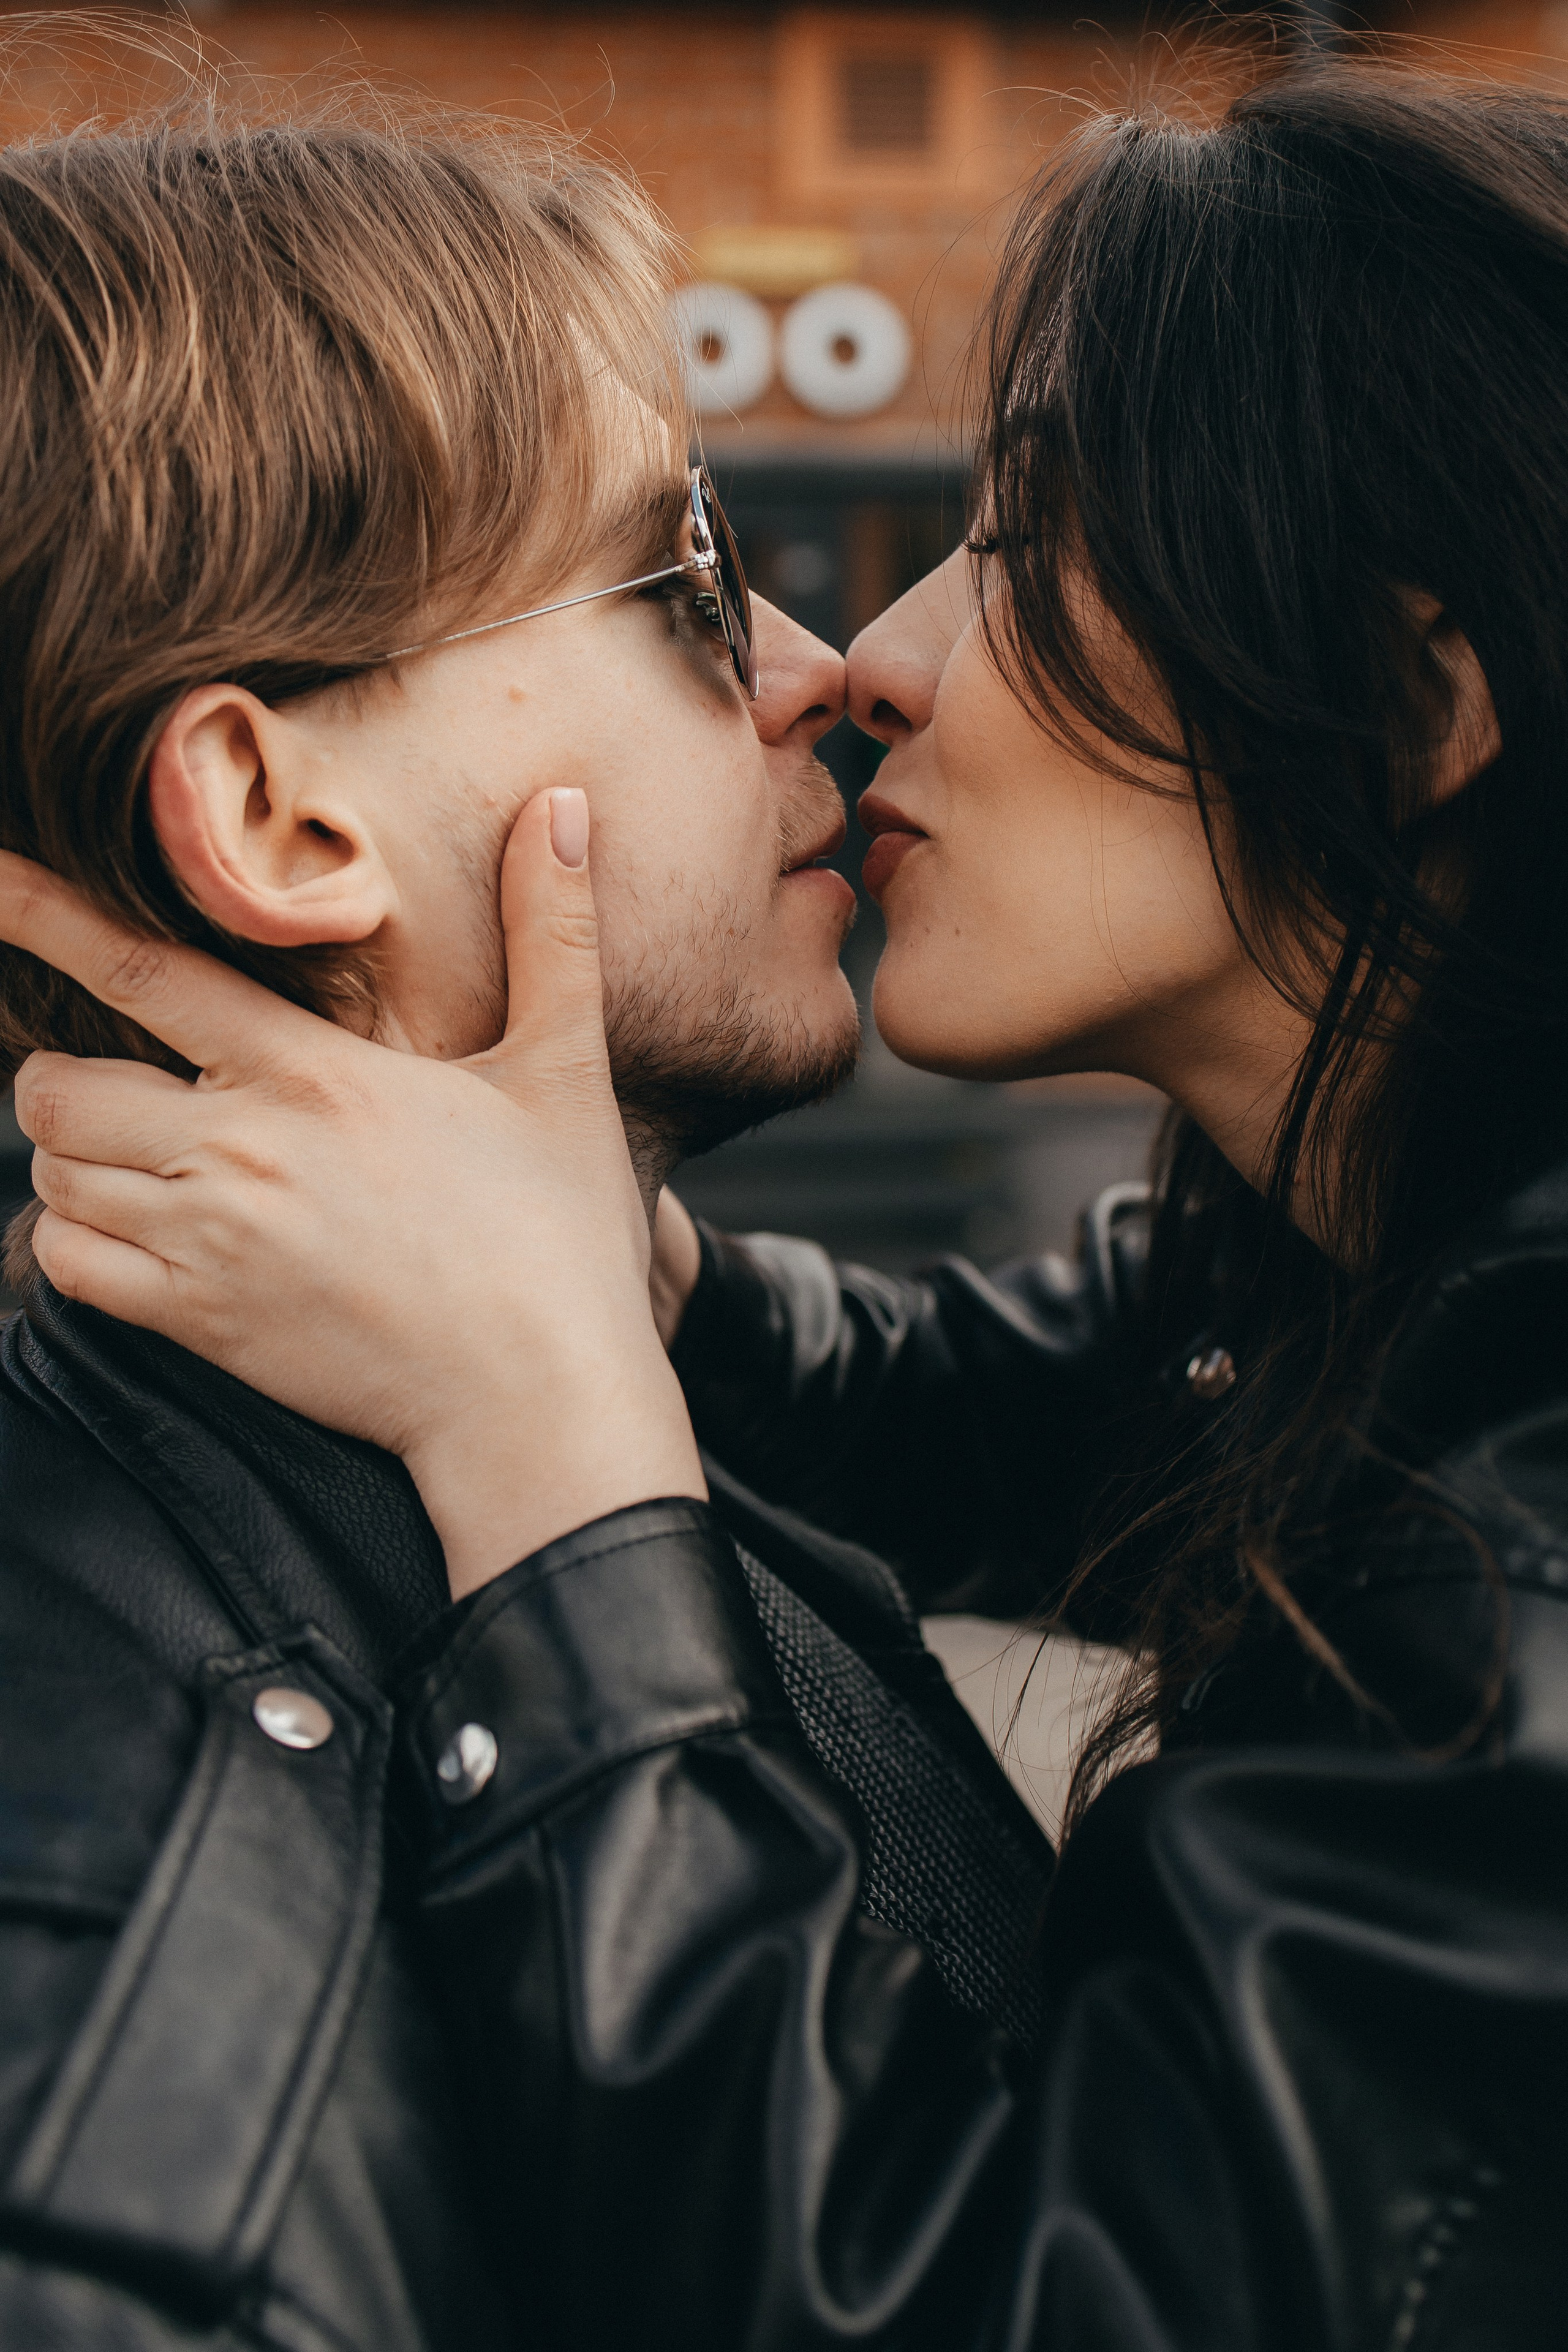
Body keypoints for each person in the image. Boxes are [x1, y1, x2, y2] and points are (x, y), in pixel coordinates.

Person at [9, 45, 1568, 2352]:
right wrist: (599, 1279)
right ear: (281, 817)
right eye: (692, 584)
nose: (871, 663)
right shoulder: (1367, 1273)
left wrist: (554, 1453)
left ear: (1399, 690)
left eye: (1028, 548)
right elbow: (1016, 1398)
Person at [0, 88, 1054, 2352]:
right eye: (683, 581)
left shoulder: (513, 1413)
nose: (812, 667)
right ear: (284, 819)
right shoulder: (133, 2158)